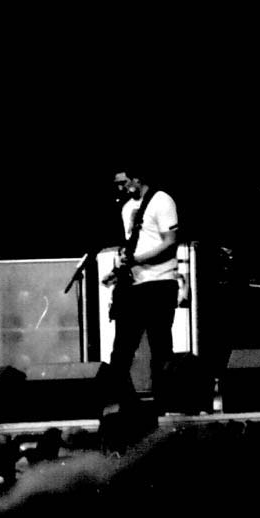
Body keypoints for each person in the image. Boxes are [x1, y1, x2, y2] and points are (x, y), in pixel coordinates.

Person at [98, 168, 180, 445]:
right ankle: (131, 406)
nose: (121, 188)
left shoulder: (161, 200)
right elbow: (133, 246)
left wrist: (137, 259)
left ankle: (163, 406)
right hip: (134, 285)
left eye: (124, 182)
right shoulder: (126, 209)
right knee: (120, 352)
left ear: (137, 178)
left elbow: (169, 242)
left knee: (160, 347)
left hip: (160, 282)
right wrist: (118, 270)